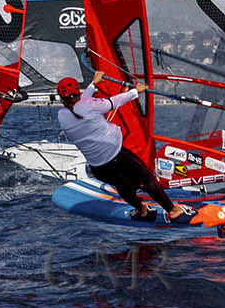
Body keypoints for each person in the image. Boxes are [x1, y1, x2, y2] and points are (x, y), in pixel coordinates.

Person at [57, 72, 192, 222]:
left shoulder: (62, 115)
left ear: (61, 99)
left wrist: (93, 84)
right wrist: (136, 91)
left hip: (98, 167)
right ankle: (173, 211)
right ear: (77, 93)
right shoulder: (90, 105)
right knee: (147, 179)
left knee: (122, 186)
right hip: (117, 156)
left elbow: (79, 104)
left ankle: (142, 211)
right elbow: (115, 101)